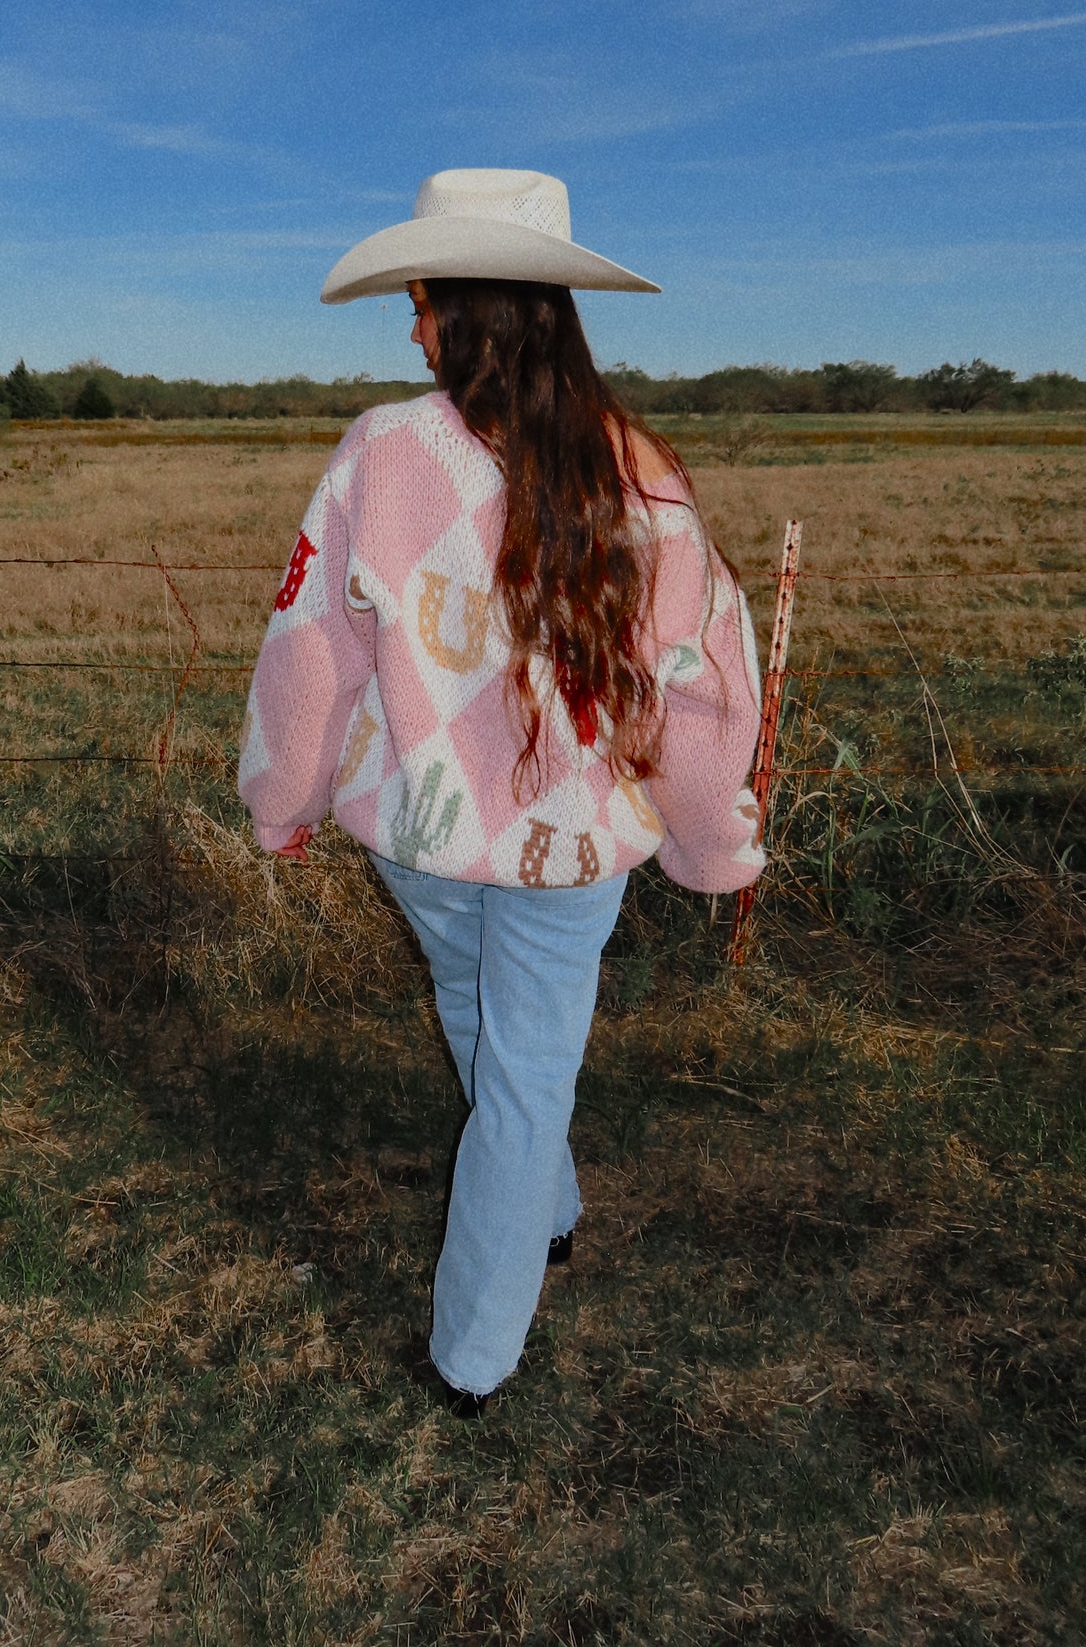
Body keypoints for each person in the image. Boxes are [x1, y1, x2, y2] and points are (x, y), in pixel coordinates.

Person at [238, 169, 765, 1415]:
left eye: (420, 301)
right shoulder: (643, 477)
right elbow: (701, 684)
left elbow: (311, 643)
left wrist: (286, 795)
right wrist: (707, 840)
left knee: (489, 1030)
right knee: (520, 1061)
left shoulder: (379, 451)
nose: (408, 326)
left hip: (417, 835)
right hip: (573, 850)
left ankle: (481, 1335)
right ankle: (512, 1270)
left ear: (469, 310)